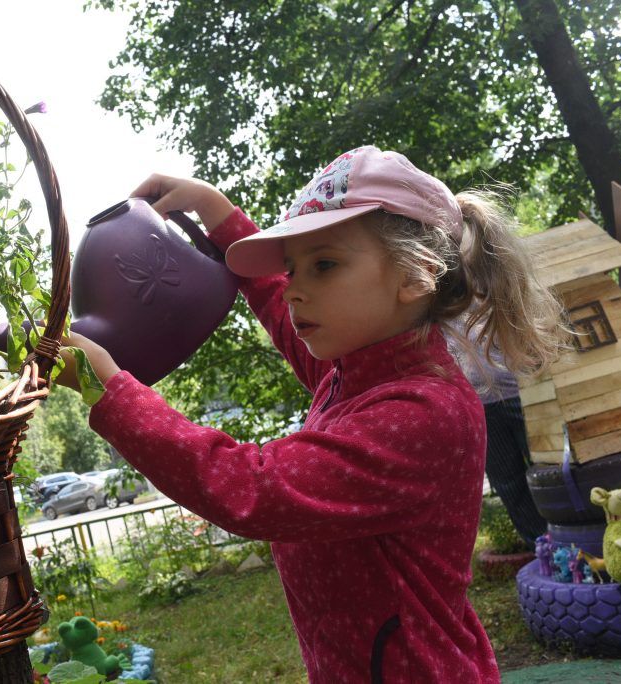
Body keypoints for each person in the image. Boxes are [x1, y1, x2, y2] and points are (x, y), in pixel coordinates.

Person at [57, 146, 566, 682]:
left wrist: (107, 388)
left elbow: (250, 487)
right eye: (293, 267)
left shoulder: (422, 413)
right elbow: (280, 305)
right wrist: (216, 211)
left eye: (324, 265)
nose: (297, 289)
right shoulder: (355, 377)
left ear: (417, 276)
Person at [449, 320, 548, 548]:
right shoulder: (431, 301)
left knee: (548, 467)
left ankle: (575, 539)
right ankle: (543, 549)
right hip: (478, 405)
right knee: (508, 482)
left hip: (522, 390)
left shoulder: (484, 285)